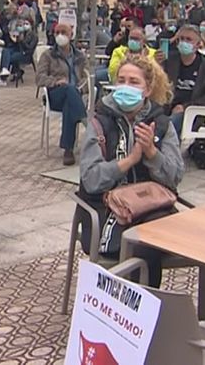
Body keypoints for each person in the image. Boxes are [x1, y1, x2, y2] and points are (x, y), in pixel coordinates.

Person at [77, 56, 184, 286]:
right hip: (107, 212)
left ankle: (136, 309)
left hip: (151, 207)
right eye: (122, 80)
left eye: (134, 82)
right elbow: (91, 180)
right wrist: (130, 160)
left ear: (147, 90)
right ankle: (138, 308)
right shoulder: (99, 122)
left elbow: (174, 177)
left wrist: (152, 153)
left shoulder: (162, 125)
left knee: (152, 233)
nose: (126, 86)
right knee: (144, 242)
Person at [36, 23, 89, 166]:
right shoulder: (48, 55)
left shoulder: (80, 56)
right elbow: (39, 78)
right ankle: (88, 125)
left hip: (74, 95)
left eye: (63, 32)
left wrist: (81, 88)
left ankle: (68, 150)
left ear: (71, 35)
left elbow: (87, 78)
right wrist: (55, 81)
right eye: (57, 32)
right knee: (68, 90)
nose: (60, 35)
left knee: (69, 102)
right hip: (55, 95)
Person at [161, 25, 205, 136]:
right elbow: (158, 86)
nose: (184, 42)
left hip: (191, 112)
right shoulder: (170, 60)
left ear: (197, 44)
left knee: (170, 124)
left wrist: (185, 107)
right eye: (181, 39)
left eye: (188, 39)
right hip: (167, 107)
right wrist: (157, 65)